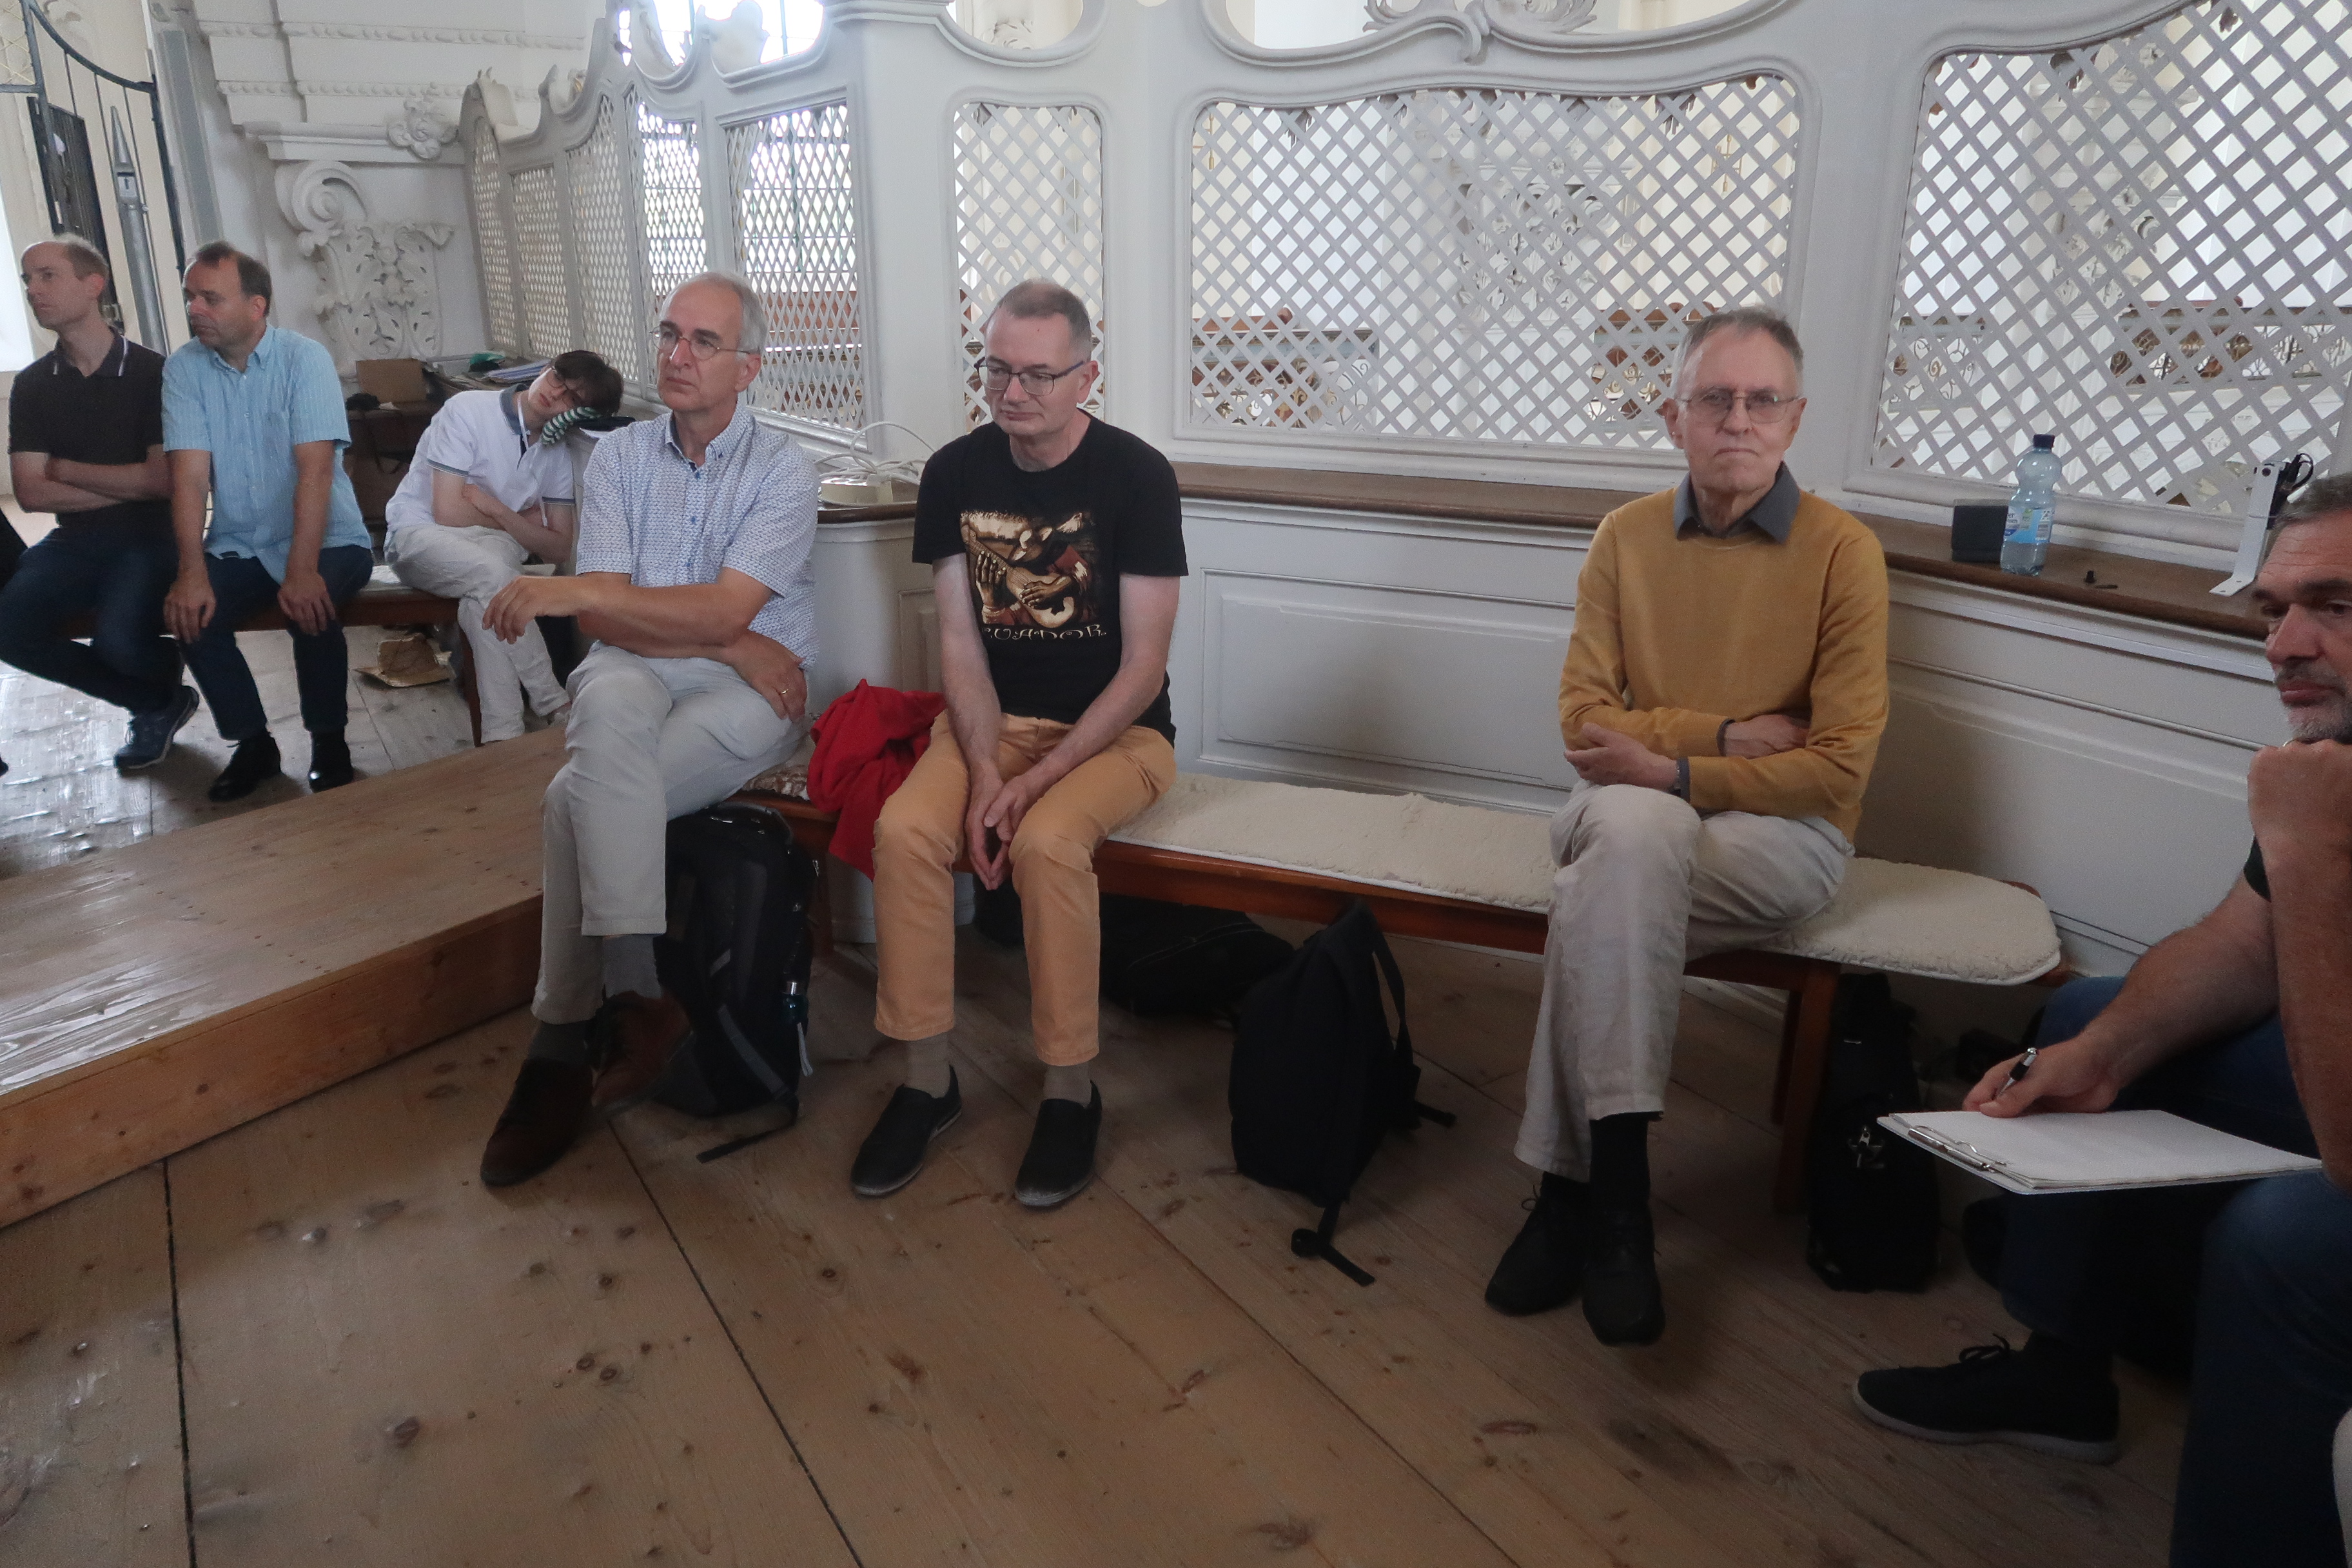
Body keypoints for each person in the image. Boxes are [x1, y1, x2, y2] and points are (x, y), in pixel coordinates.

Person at [1856, 475, 2352, 1568]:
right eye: (2274, 611)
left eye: (2336, 606)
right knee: (2088, 1013)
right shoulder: (2335, 758)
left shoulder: (2318, 800)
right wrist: (2097, 1054)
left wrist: (2313, 855)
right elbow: (2243, 946)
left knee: (2290, 1238)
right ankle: (2061, 1376)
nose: (2284, 646)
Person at [1483, 306, 1889, 1346]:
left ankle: (1573, 1195)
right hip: (1629, 814)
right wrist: (1724, 735)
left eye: (1761, 401)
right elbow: (1582, 723)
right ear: (1674, 418)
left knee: (1605, 887)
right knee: (1630, 839)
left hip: (1786, 838)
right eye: (1714, 398)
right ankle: (1618, 1208)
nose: (1737, 420)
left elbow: (1835, 767)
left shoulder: (1844, 553)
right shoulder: (1623, 538)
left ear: (1794, 419)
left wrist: (1666, 764)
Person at [473, 271, 818, 1187]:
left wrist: (723, 635)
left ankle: (563, 1033)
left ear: (749, 367)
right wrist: (724, 632)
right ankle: (638, 995)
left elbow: (717, 606)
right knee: (611, 697)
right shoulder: (621, 457)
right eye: (669, 333)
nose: (677, 354)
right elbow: (602, 615)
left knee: (571, 798)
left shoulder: (783, 470)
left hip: (750, 691)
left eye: (704, 341)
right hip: (651, 662)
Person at [852, 279, 1183, 1210]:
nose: (1013, 391)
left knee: (1046, 842)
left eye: (1038, 374)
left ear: (1086, 377)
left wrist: (1038, 783)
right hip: (992, 727)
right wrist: (985, 767)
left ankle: (1071, 1090)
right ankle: (927, 1081)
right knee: (905, 831)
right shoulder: (956, 473)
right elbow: (960, 645)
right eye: (996, 368)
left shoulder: (1137, 475)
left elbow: (1144, 668)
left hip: (1117, 737)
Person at [161, 242, 375, 800]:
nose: (195, 309)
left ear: (256, 306)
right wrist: (191, 571)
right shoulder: (184, 368)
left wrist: (302, 570)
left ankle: (329, 740)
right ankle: (253, 743)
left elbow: (315, 473)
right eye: (190, 297)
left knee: (311, 605)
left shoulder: (305, 359)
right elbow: (189, 480)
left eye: (211, 298)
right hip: (240, 542)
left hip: (330, 538)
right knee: (192, 615)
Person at [0, 235, 195, 769]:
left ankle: (153, 670)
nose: (34, 291)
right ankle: (154, 700)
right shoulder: (34, 385)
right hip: (75, 541)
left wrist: (64, 469)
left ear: (94, 285)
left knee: (117, 642)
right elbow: (31, 492)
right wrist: (126, 482)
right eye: (27, 280)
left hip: (151, 538)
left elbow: (162, 484)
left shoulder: (154, 372)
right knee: (9, 629)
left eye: (48, 276)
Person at [382, 350, 624, 741]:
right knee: (498, 579)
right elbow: (447, 511)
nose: (555, 393)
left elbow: (558, 548)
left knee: (484, 606)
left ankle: (502, 737)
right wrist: (521, 522)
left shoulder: (556, 452)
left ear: (580, 415)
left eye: (571, 398)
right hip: (420, 533)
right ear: (545, 370)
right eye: (557, 378)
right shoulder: (468, 410)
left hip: (494, 544)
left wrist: (495, 509)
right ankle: (553, 699)